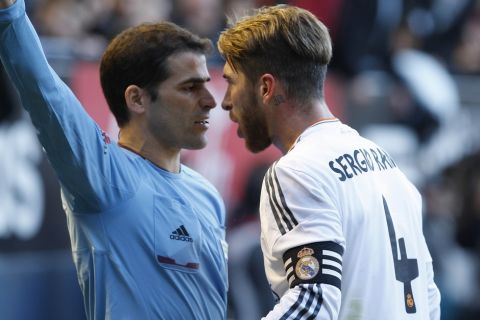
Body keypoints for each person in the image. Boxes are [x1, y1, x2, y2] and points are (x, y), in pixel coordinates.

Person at [0, 0, 228, 319]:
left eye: (205, 85)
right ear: (136, 98)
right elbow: (44, 91)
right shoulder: (108, 178)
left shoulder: (209, 195)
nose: (208, 101)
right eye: (190, 88)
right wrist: (10, 13)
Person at [218, 4, 441, 319]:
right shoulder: (386, 164)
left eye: (231, 82)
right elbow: (428, 296)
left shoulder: (297, 171)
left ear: (266, 88)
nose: (226, 101)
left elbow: (312, 303)